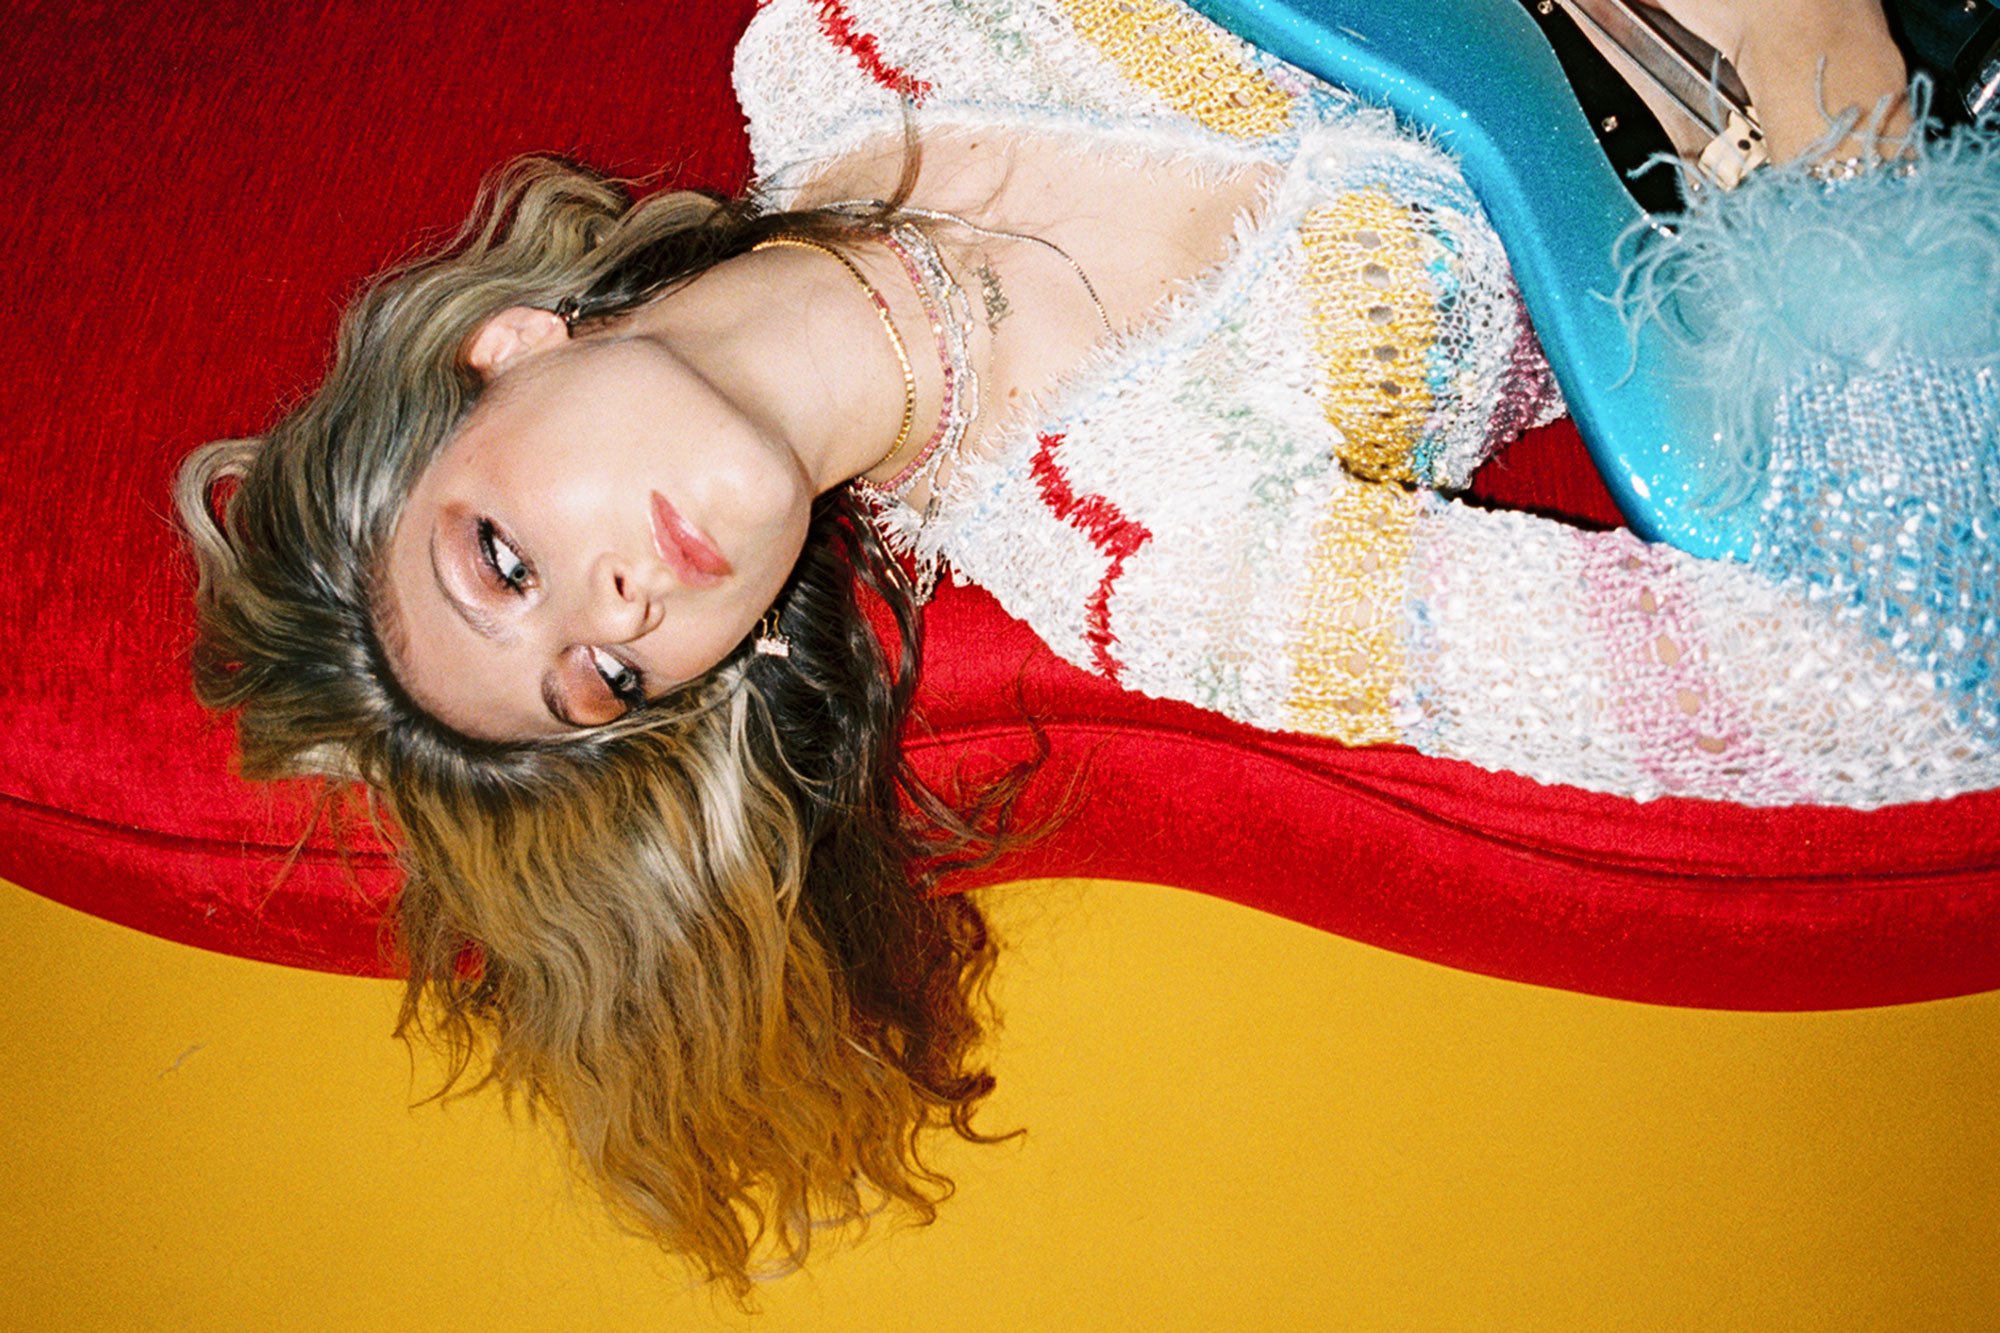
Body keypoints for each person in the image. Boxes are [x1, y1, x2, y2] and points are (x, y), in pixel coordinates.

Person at [174, 0, 1996, 1297]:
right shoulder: (1149, 554)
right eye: (607, 684)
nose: (614, 612)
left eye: (503, 560)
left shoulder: (837, 38)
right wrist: (1822, 84)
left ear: (508, 348)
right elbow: (1887, 668)